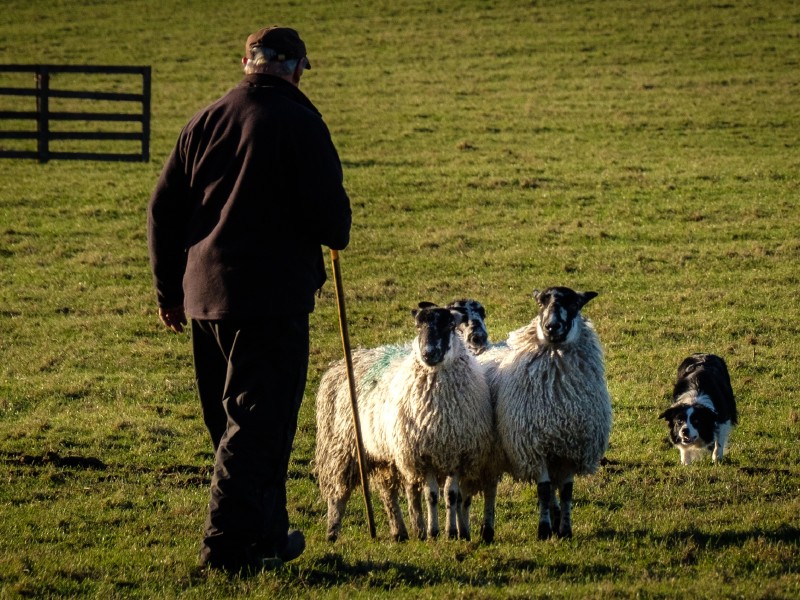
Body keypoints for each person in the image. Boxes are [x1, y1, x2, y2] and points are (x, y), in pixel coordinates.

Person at [147, 26, 352, 575]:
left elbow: (162, 210)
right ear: (297, 68)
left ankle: (268, 535)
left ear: (247, 63)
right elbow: (334, 224)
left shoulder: (204, 120)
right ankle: (225, 551)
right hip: (270, 301)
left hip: (203, 300)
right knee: (257, 429)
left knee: (232, 425)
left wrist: (169, 293)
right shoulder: (303, 124)